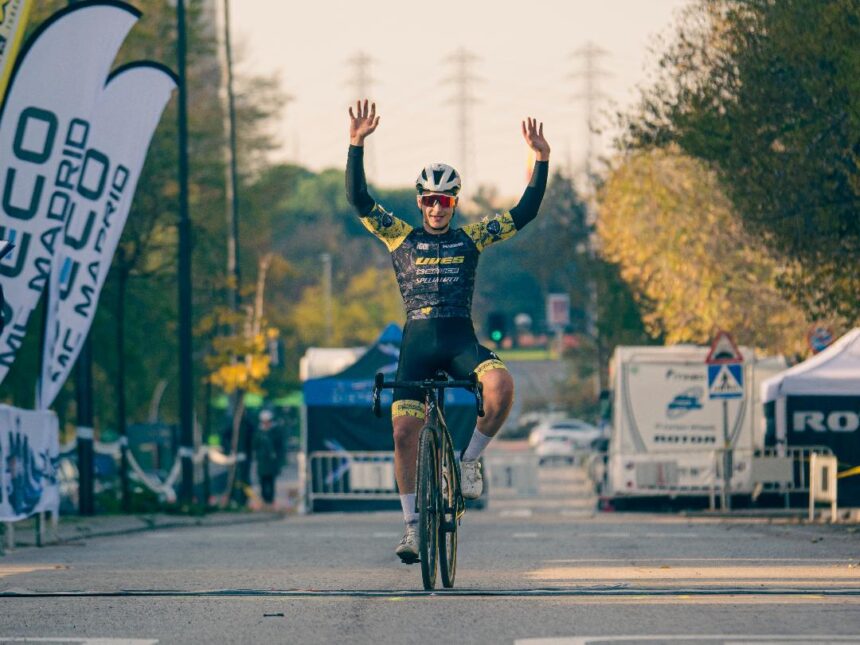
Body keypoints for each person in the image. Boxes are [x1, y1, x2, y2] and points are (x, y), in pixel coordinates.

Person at [345, 100, 550, 563]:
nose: (437, 208)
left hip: (460, 342)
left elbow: (525, 212)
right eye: (430, 200)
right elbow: (359, 200)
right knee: (403, 434)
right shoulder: (399, 235)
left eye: (446, 200)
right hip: (417, 344)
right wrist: (356, 144)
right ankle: (414, 529)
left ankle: (470, 461)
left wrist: (541, 160)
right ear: (420, 202)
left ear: (455, 203)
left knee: (500, 386)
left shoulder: (472, 237)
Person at [253, 409, 283, 506]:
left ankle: (270, 499)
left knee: (271, 481)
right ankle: (264, 499)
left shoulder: (276, 431)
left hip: (272, 461)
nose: (266, 423)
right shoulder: (258, 432)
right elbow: (254, 445)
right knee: (262, 481)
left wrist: (279, 459)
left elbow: (279, 446)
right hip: (262, 460)